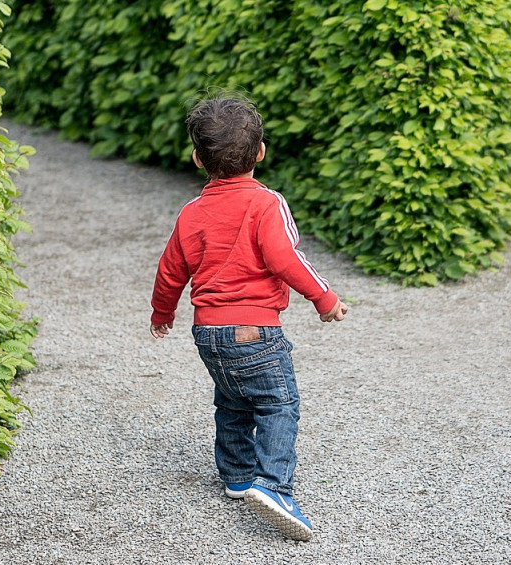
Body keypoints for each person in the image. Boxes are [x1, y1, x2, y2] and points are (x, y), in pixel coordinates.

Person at [149, 96, 347, 542]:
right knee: (279, 403)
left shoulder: (190, 213)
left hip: (208, 331)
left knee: (233, 398)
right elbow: (286, 258)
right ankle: (274, 486)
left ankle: (237, 476)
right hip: (255, 329)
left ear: (198, 158)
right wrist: (325, 298)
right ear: (260, 152)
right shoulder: (266, 203)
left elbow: (170, 270)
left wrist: (163, 313)